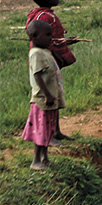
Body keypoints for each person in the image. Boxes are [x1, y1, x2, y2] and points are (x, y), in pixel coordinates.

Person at [24, 20, 64, 170]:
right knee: (41, 131)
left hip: (50, 97)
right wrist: (47, 95)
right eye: (47, 35)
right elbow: (37, 76)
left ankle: (44, 158)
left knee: (48, 130)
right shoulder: (36, 54)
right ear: (34, 37)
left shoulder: (45, 52)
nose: (50, 38)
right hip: (42, 99)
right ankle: (36, 161)